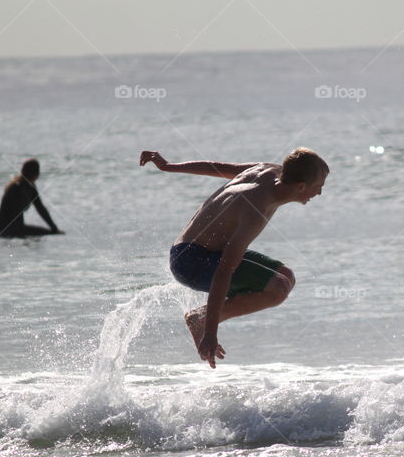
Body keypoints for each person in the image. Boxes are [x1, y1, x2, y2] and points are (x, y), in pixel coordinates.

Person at [139, 147, 328, 368]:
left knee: (285, 275)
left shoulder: (268, 170)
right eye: (318, 187)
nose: (320, 193)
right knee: (277, 289)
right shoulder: (256, 209)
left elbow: (218, 168)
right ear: (301, 186)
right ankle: (200, 319)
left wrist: (169, 166)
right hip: (191, 262)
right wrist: (210, 332)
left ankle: (204, 316)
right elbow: (224, 271)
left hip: (197, 250)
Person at [0, 159, 64, 238]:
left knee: (50, 234)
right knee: (41, 236)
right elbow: (17, 214)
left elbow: (40, 208)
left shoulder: (30, 186)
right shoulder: (16, 187)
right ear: (36, 173)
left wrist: (54, 228)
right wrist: (21, 236)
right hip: (3, 230)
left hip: (15, 227)